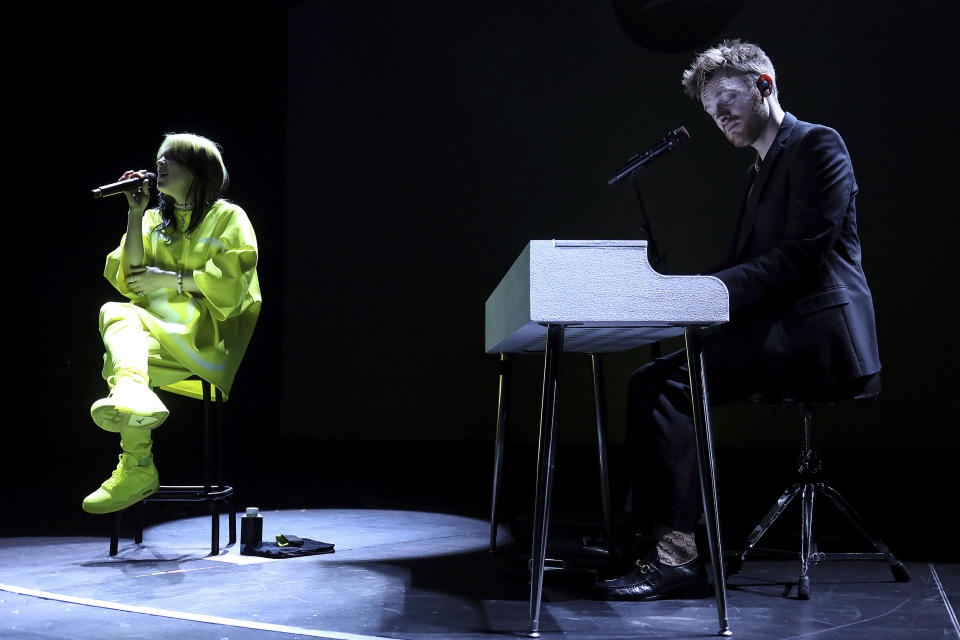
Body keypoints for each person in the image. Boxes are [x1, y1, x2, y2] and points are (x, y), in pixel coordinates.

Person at [594, 40, 880, 600]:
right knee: (649, 380)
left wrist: (709, 291)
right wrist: (675, 296)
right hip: (778, 326)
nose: (720, 116)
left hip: (818, 332)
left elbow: (802, 256)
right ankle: (648, 537)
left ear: (764, 87)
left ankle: (678, 555)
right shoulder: (759, 170)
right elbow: (746, 265)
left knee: (673, 386)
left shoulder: (818, 145)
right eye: (710, 109)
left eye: (728, 99)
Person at [82, 133, 262, 515]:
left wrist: (167, 279)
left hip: (207, 339)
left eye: (171, 159)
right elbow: (130, 279)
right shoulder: (151, 219)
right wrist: (134, 212)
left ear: (198, 170)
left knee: (119, 333)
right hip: (158, 336)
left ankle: (137, 461)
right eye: (158, 158)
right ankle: (137, 465)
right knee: (118, 322)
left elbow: (230, 286)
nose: (159, 164)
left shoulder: (229, 217)